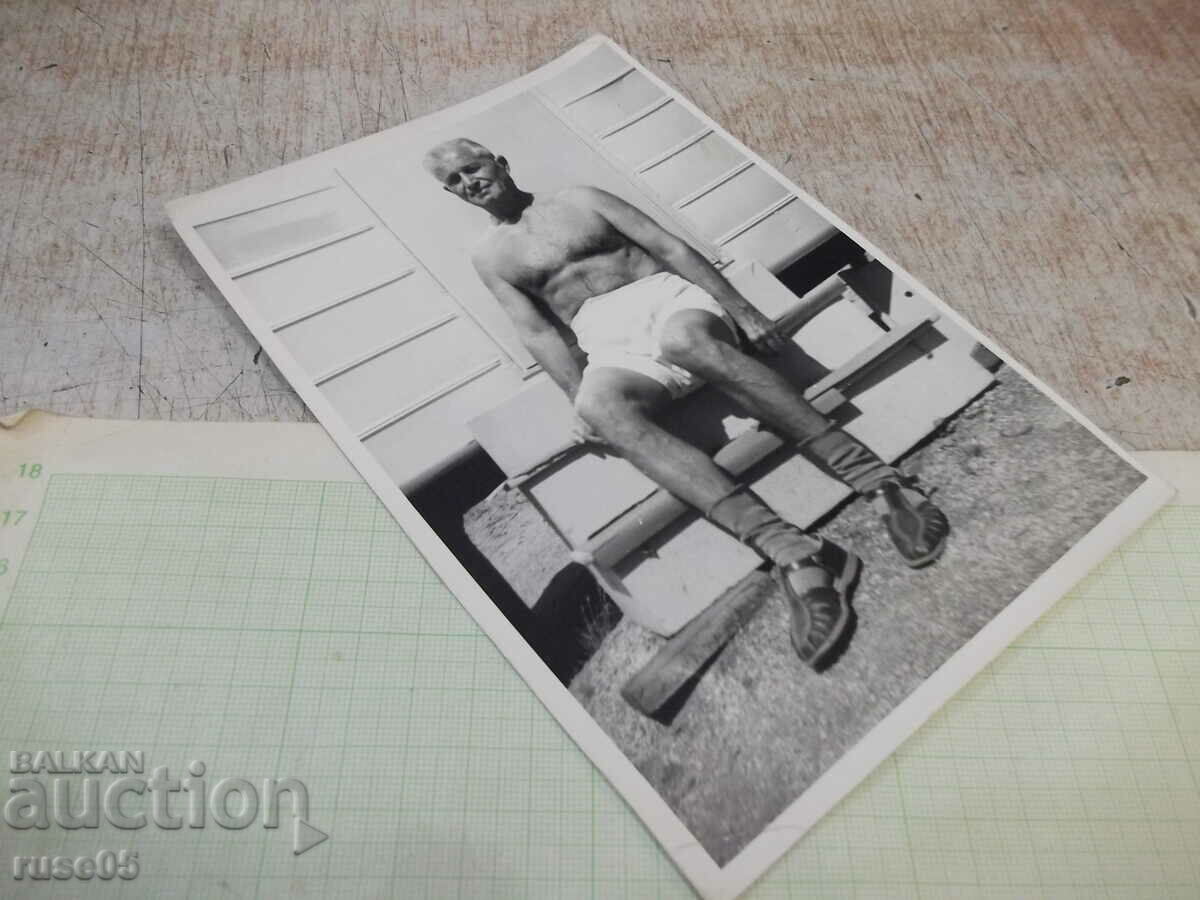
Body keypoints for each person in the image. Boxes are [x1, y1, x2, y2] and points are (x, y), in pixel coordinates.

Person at [423, 137, 948, 668]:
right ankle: (795, 553)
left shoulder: (580, 199)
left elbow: (669, 248)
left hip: (669, 302)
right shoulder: (490, 257)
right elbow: (536, 332)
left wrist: (742, 311)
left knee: (685, 344)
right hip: (607, 340)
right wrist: (577, 397)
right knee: (605, 409)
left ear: (501, 161)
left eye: (473, 168)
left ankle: (879, 482)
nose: (470, 182)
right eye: (455, 182)